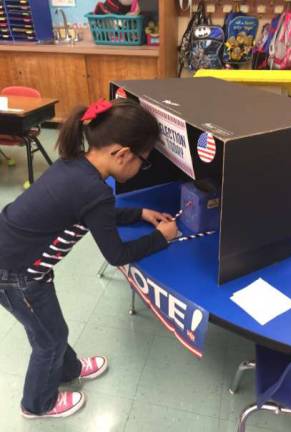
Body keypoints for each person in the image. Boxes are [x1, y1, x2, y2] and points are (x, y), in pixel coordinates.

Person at [0, 98, 177, 419]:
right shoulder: (94, 191)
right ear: (122, 154)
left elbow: (97, 214)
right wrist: (161, 238)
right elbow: (116, 255)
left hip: (19, 263)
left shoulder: (75, 166)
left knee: (50, 331)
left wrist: (139, 212)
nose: (141, 168)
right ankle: (37, 404)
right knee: (49, 339)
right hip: (16, 275)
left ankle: (68, 370)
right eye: (143, 161)